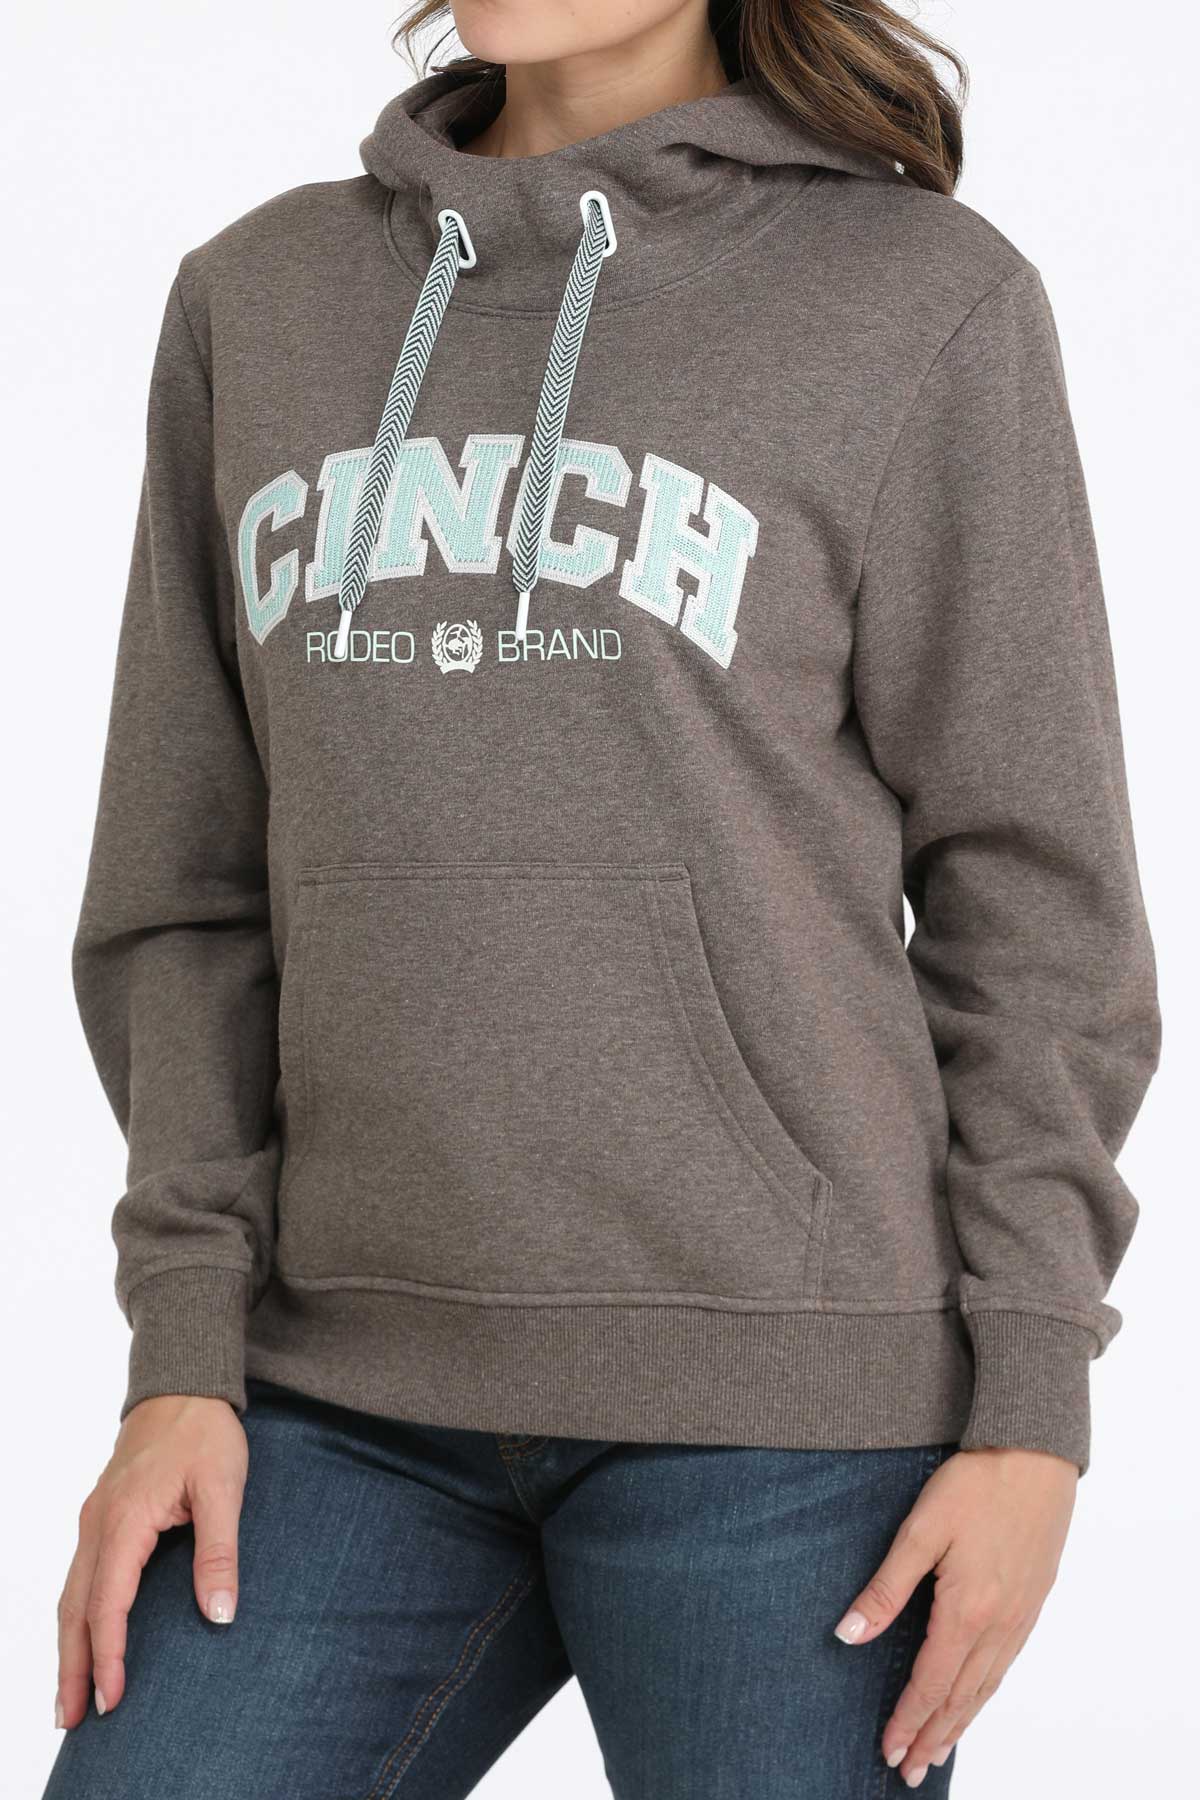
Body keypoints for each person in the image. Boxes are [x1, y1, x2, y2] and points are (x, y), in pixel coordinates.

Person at [44, 2, 1159, 1795]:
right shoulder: (259, 299)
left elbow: (1035, 895)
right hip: (334, 1394)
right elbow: (184, 890)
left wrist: (1034, 1406)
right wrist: (179, 1346)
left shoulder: (920, 301)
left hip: (788, 1420)